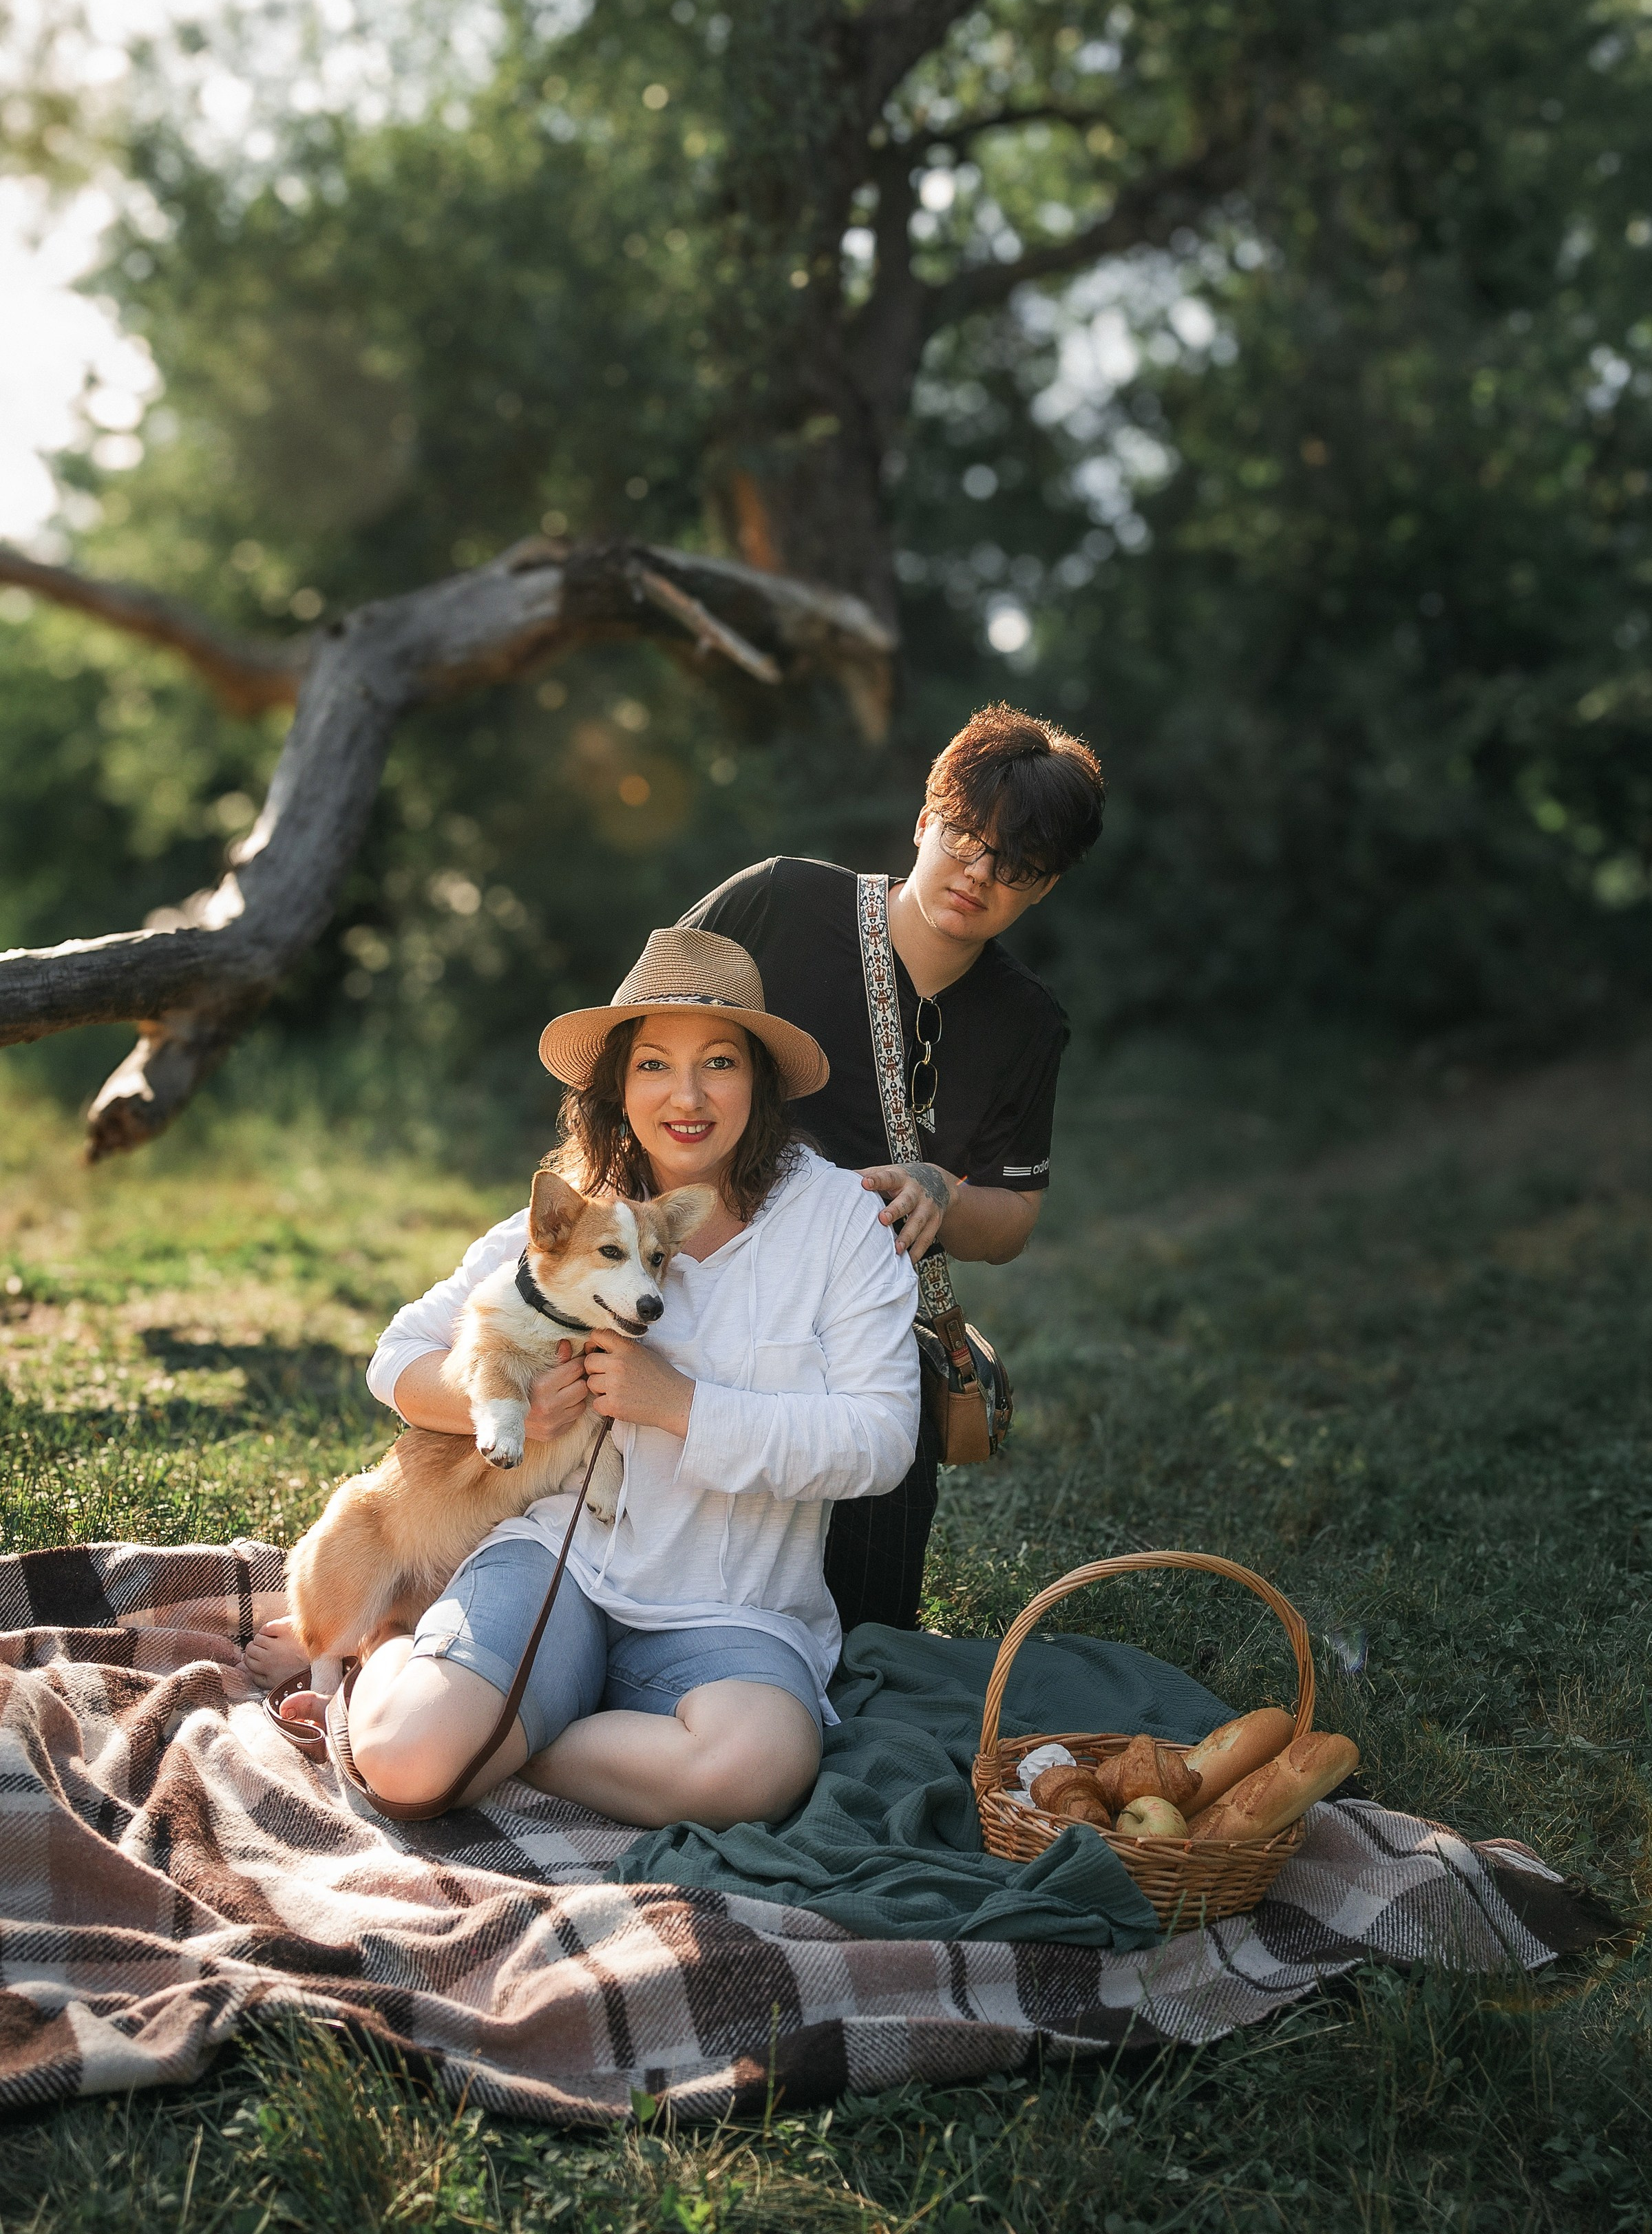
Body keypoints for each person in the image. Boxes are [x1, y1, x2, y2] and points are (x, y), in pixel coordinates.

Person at [337, 929, 920, 1826]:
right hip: (556, 1568)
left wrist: (682, 1405)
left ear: (758, 1079)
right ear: (618, 1086)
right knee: (406, 1763)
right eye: (654, 1065)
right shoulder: (580, 1209)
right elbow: (397, 1359)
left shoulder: (839, 1225)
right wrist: (512, 1408)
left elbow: (881, 1441)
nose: (685, 1097)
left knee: (754, 1767)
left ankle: (517, 1735)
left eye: (718, 1062)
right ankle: (389, 1656)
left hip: (736, 1609)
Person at [678, 702, 1104, 1634]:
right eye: (965, 838)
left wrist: (946, 1195)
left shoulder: (1028, 1023)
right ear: (925, 819)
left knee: (868, 1632)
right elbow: (636, 1045)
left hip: (863, 1328)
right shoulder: (782, 901)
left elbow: (1013, 1221)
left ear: (1047, 887)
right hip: (693, 1277)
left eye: (1016, 867)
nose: (978, 874)